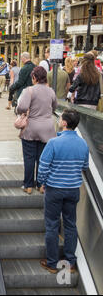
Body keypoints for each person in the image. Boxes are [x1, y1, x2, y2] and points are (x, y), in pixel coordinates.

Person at [38, 109, 89, 274]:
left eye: (60, 118)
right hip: (73, 190)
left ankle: (53, 263)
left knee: (52, 225)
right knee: (70, 225)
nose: (59, 119)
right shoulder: (83, 144)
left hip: (54, 189)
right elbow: (84, 166)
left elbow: (43, 167)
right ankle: (70, 263)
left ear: (65, 123)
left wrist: (42, 183)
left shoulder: (53, 143)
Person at [16, 66, 57, 195]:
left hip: (31, 128)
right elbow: (55, 106)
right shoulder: (51, 91)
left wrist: (21, 111)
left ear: (34, 78)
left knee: (29, 158)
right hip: (48, 129)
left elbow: (21, 107)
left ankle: (28, 186)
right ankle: (41, 185)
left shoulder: (29, 90)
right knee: (43, 159)